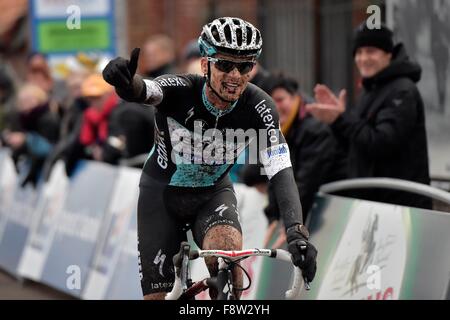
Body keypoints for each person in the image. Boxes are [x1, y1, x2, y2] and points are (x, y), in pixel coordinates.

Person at [102, 17, 318, 300]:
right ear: (205, 65)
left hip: (212, 195)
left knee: (228, 262)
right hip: (161, 195)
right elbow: (145, 90)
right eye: (225, 65)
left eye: (245, 66)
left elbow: (280, 170)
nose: (236, 76)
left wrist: (297, 233)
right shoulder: (179, 88)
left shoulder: (260, 107)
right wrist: (125, 82)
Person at [306, 22, 432, 209]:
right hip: (374, 204)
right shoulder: (371, 89)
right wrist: (336, 123)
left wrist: (341, 119)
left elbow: (381, 142)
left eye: (371, 51)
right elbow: (356, 146)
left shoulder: (402, 91)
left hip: (402, 208)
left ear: (388, 54)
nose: (363, 58)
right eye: (359, 52)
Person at [243, 74, 347, 248]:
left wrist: (290, 223)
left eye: (280, 99)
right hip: (305, 216)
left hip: (332, 216)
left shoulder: (314, 129)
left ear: (295, 98)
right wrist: (274, 216)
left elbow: (306, 181)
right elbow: (274, 174)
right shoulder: (278, 130)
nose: (275, 106)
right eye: (270, 101)